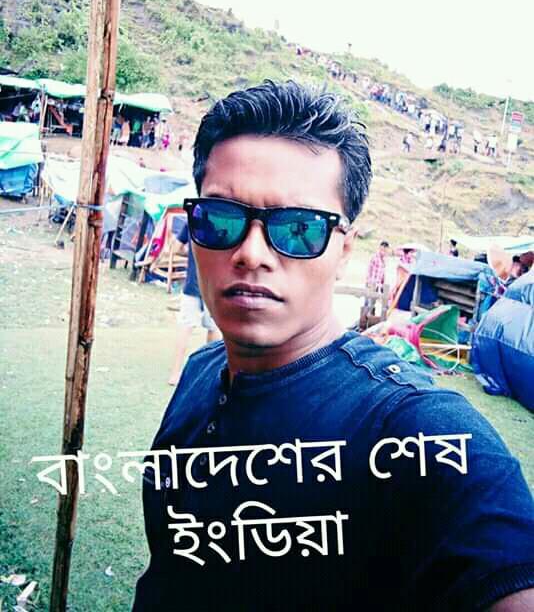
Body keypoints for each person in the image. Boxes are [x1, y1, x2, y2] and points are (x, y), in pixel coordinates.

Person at [133, 81, 534, 611]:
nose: (251, 253)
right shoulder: (201, 372)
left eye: (299, 229)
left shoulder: (415, 429)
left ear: (344, 249)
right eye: (223, 217)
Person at [167, 220, 220, 386]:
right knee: (213, 329)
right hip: (213, 285)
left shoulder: (191, 222)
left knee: (185, 328)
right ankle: (209, 372)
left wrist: (189, 253)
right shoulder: (222, 222)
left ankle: (175, 373)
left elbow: (175, 248)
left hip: (192, 284)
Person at [365, 240, 389, 315]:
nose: (384, 251)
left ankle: (371, 316)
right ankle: (364, 318)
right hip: (371, 283)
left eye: (385, 249)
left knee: (373, 303)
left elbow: (382, 274)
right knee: (368, 303)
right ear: (379, 248)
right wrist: (369, 282)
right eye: (382, 248)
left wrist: (382, 285)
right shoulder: (375, 257)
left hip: (378, 285)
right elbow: (369, 270)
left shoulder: (384, 259)